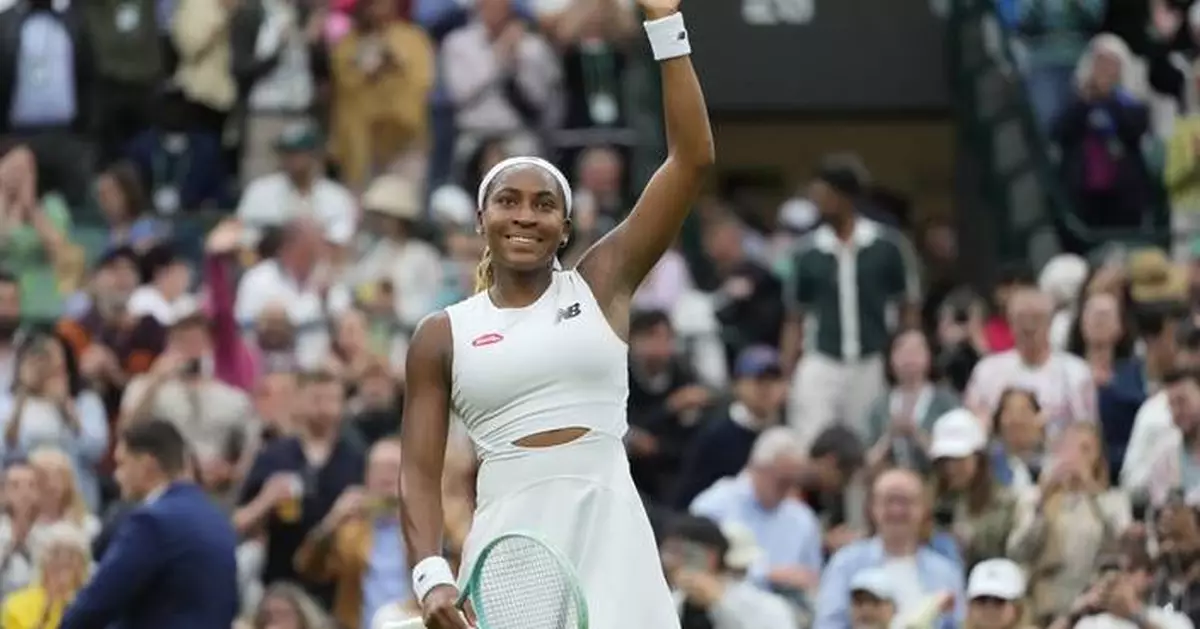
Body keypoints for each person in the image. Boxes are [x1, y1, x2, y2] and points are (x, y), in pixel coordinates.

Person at [398, 0, 713, 626]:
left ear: (565, 227)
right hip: (509, 541)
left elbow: (692, 160)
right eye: (507, 201)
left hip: (612, 527)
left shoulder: (600, 284)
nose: (525, 215)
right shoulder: (442, 334)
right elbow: (417, 469)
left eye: (544, 205)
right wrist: (431, 575)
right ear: (482, 220)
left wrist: (666, 25)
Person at [58, 420, 239, 629]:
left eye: (122, 464)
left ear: (147, 465)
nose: (117, 476)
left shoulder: (152, 521)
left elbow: (98, 602)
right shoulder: (217, 519)